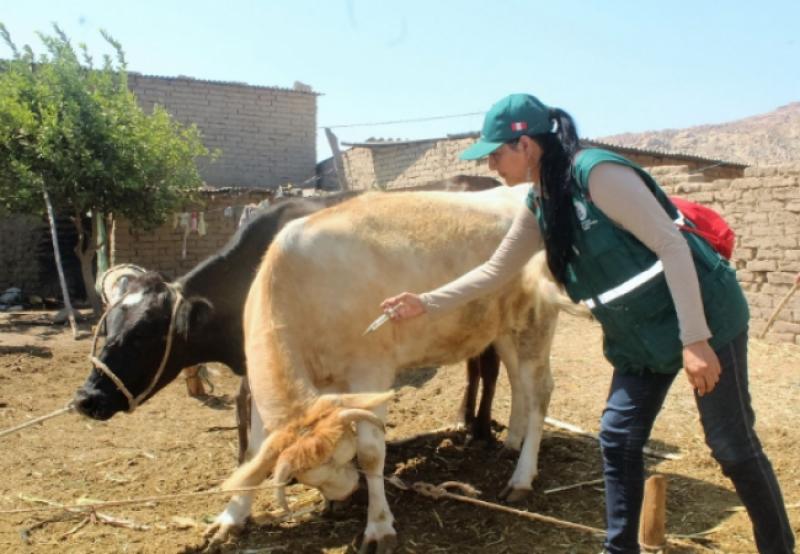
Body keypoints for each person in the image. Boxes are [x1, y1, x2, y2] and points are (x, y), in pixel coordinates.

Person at [379, 93, 795, 554]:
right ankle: (620, 549)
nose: (492, 164)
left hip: (705, 315)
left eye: (497, 153)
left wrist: (695, 340)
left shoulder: (597, 174)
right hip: (638, 335)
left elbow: (672, 248)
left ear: (527, 146)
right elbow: (495, 271)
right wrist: (425, 302)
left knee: (731, 445)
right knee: (617, 438)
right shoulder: (541, 202)